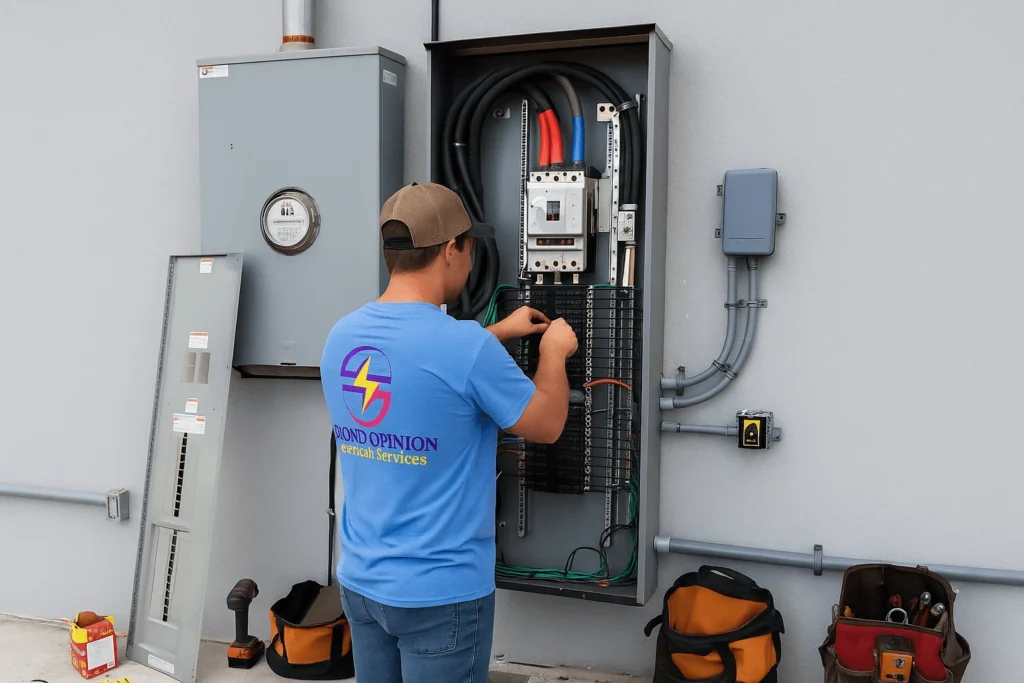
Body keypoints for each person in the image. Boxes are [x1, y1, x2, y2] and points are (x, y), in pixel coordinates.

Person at [319, 182, 578, 683]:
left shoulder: (342, 336)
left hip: (362, 585)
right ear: (451, 249)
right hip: (440, 597)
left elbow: (419, 368)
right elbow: (546, 424)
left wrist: (497, 333)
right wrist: (553, 354)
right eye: (470, 246)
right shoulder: (464, 349)